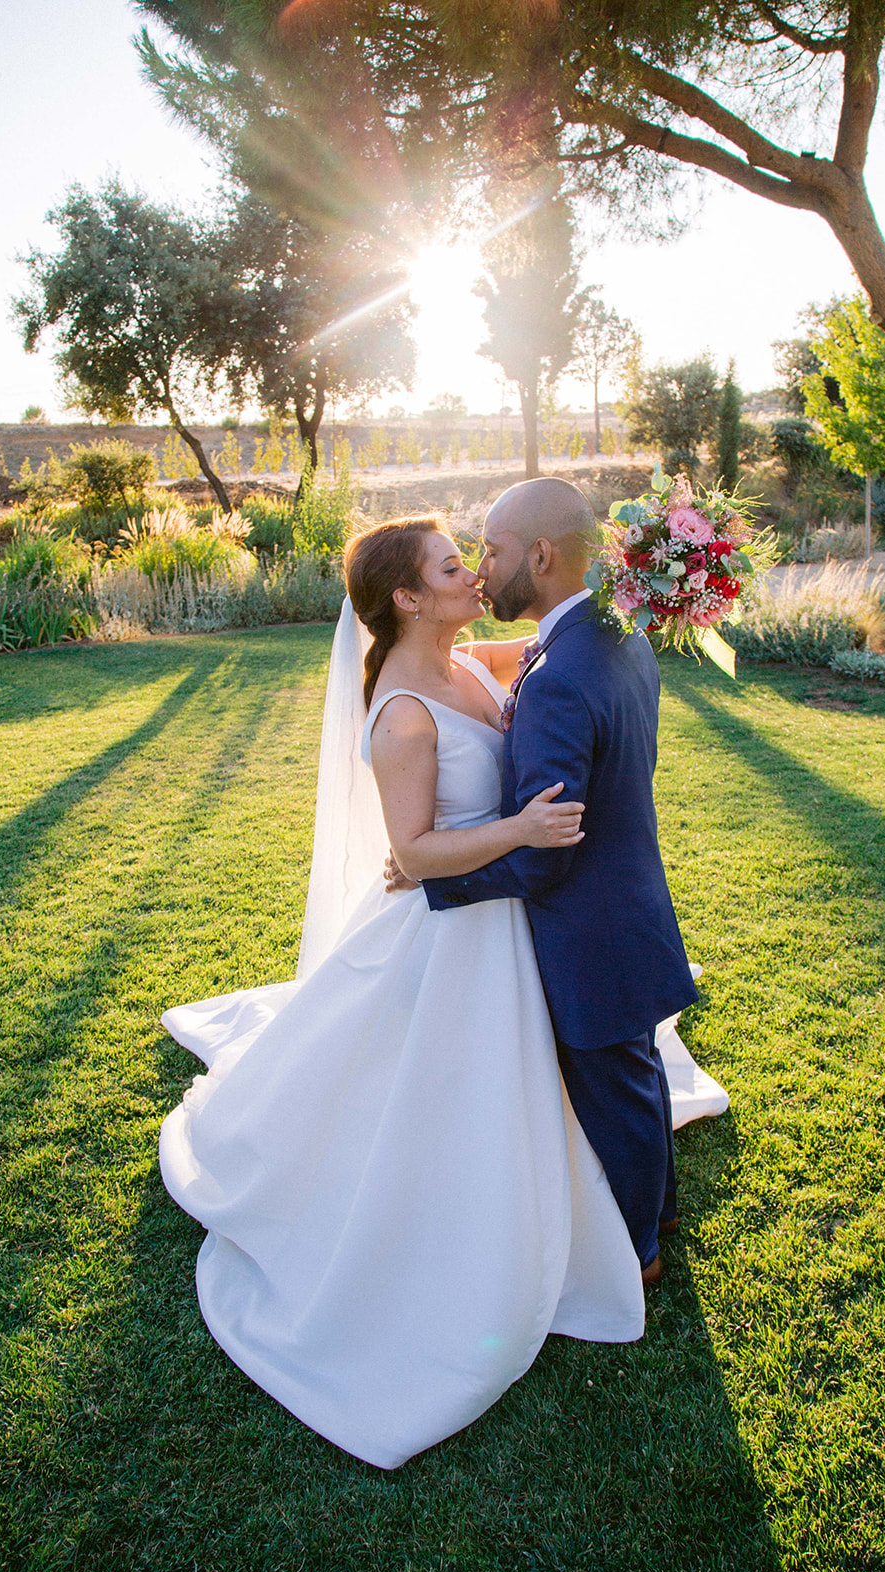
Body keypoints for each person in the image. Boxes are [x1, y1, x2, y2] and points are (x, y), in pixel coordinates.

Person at [158, 509, 726, 1471]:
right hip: (461, 922)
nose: (475, 571)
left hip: (511, 922)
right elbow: (413, 853)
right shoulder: (404, 712)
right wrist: (513, 834)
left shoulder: (474, 657)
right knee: (444, 1092)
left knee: (527, 1075)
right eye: (454, 565)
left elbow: (554, 636)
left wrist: (629, 587)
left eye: (479, 557)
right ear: (408, 598)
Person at [393, 478, 713, 1285]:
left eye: (493, 552)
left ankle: (636, 1252)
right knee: (630, 1077)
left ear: (540, 555)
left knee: (615, 1088)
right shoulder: (615, 633)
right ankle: (658, 1209)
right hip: (628, 898)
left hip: (589, 927)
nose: (482, 568)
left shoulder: (562, 675)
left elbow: (545, 854)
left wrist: (431, 874)